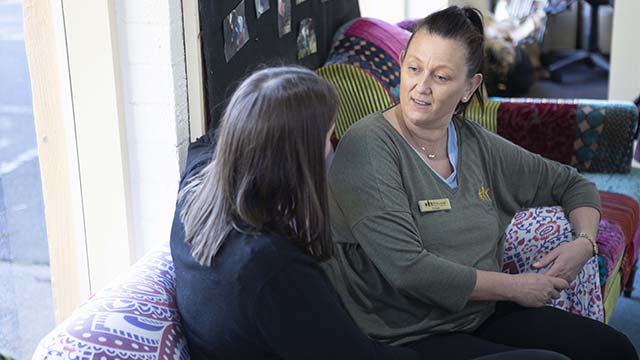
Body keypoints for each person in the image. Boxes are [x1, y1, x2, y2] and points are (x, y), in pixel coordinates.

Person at [170, 66, 571, 360]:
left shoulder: (198, 192)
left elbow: (208, 144)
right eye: (329, 137)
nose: (337, 146)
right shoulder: (273, 267)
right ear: (298, 161)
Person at [322, 6, 638, 360]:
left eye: (441, 77)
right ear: (401, 62)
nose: (420, 88)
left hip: (480, 314)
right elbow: (409, 271)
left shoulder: (475, 143)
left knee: (614, 349)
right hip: (406, 334)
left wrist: (584, 243)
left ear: (470, 86)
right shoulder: (367, 146)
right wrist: (517, 288)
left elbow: (573, 184)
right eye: (414, 68)